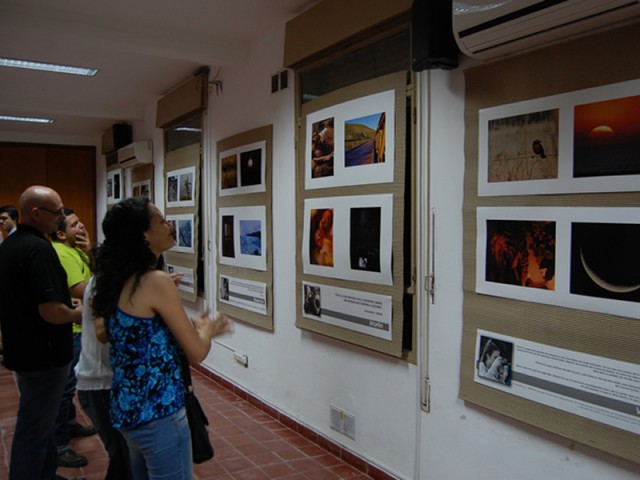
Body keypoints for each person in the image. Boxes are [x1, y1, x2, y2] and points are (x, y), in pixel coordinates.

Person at [92, 196, 232, 480]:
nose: (170, 225)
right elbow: (196, 351)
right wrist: (207, 330)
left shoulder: (118, 278)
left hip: (128, 408)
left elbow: (133, 331)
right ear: (144, 235)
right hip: (158, 413)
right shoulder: (155, 281)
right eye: (162, 221)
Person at [0, 185, 83, 480]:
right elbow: (50, 312)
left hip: (23, 349)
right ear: (35, 213)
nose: (60, 218)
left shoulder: (11, 244)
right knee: (33, 429)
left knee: (42, 422)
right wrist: (78, 313)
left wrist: (64, 303)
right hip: (44, 355)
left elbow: (30, 298)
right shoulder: (38, 249)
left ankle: (46, 474)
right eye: (57, 212)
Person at [50, 208, 97, 468]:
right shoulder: (61, 253)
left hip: (82, 326)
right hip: (74, 331)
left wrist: (89, 248)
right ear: (60, 233)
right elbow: (82, 289)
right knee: (65, 388)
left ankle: (69, 425)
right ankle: (59, 444)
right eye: (74, 225)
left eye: (80, 222)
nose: (81, 228)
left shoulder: (76, 249)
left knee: (68, 387)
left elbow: (92, 274)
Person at [75, 276, 133, 480]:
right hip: (102, 384)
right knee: (124, 456)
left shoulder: (123, 281)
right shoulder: (107, 282)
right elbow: (104, 332)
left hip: (113, 383)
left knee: (126, 456)